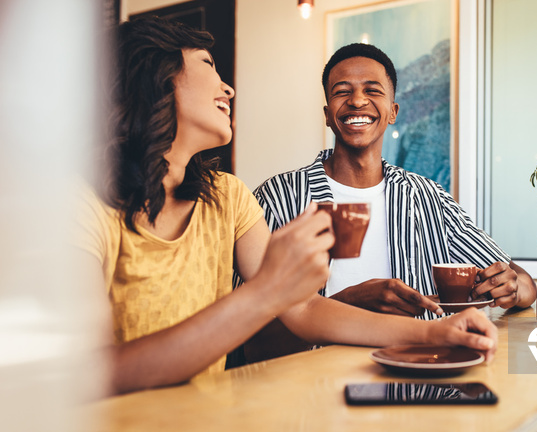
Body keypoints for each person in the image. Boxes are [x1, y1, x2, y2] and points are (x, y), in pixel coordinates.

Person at [76, 18, 498, 395]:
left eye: (373, 91)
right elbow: (87, 375)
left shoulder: (226, 196)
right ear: (156, 78)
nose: (228, 87)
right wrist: (269, 290)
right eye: (208, 65)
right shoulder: (78, 205)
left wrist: (438, 331)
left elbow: (304, 307)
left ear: (392, 111)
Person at [247, 43, 536, 359]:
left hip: (420, 386)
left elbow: (523, 282)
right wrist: (348, 302)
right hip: (311, 392)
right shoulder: (278, 198)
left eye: (372, 90)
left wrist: (511, 288)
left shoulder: (427, 198)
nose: (357, 101)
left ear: (393, 112)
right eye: (342, 92)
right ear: (328, 115)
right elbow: (248, 340)